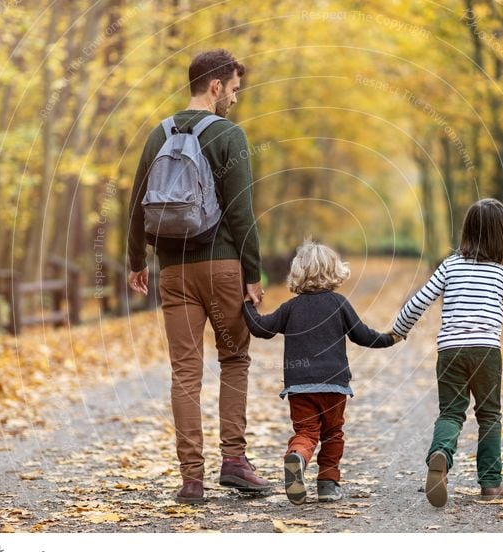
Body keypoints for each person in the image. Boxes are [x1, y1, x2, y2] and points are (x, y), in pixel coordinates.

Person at [126, 49, 269, 504]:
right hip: (223, 265)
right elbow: (242, 212)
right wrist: (253, 272)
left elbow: (135, 206)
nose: (234, 100)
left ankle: (191, 479)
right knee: (234, 360)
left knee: (185, 372)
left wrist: (136, 262)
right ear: (215, 86)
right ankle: (234, 462)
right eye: (233, 90)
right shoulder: (229, 135)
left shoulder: (157, 134)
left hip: (173, 271)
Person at [392, 199, 503, 508]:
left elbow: (419, 301)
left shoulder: (450, 265)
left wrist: (399, 329)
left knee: (451, 412)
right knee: (489, 416)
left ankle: (440, 454)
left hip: (450, 351)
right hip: (486, 352)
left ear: (468, 232)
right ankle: (490, 485)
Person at [243, 240, 399, 505]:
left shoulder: (290, 308)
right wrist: (391, 338)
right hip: (334, 387)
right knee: (333, 434)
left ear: (297, 273)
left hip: (300, 387)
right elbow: (363, 335)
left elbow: (261, 329)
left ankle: (298, 456)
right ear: (333, 271)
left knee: (306, 432)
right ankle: (328, 484)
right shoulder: (339, 303)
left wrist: (247, 304)